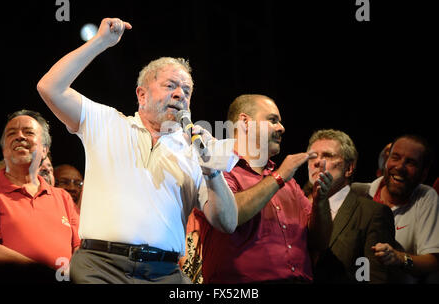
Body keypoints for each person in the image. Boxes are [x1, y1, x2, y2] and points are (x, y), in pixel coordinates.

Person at [37, 17, 238, 284]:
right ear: (141, 95)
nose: (180, 94)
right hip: (100, 267)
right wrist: (100, 43)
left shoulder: (195, 151)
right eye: (170, 85)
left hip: (165, 273)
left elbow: (227, 222)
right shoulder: (106, 122)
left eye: (187, 90)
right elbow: (49, 87)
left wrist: (212, 170)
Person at [186, 94, 333, 284]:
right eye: (273, 120)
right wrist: (278, 177)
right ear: (245, 122)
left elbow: (319, 243)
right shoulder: (216, 168)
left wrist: (321, 201)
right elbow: (230, 216)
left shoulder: (289, 182)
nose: (281, 128)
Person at [0, 110, 80, 283]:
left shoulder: (63, 197)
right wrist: (44, 273)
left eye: (28, 132)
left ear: (45, 149)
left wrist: (69, 276)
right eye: (11, 133)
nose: (20, 136)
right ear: (3, 149)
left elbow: (79, 246)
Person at [307, 129, 397, 283]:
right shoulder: (297, 206)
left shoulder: (373, 214)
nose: (317, 162)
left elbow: (375, 278)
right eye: (312, 156)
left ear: (349, 168)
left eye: (327, 156)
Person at [352, 134, 439, 283]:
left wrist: (400, 258)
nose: (400, 167)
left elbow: (433, 262)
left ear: (423, 174)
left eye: (410, 162)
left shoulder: (426, 197)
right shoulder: (358, 192)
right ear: (386, 162)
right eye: (395, 157)